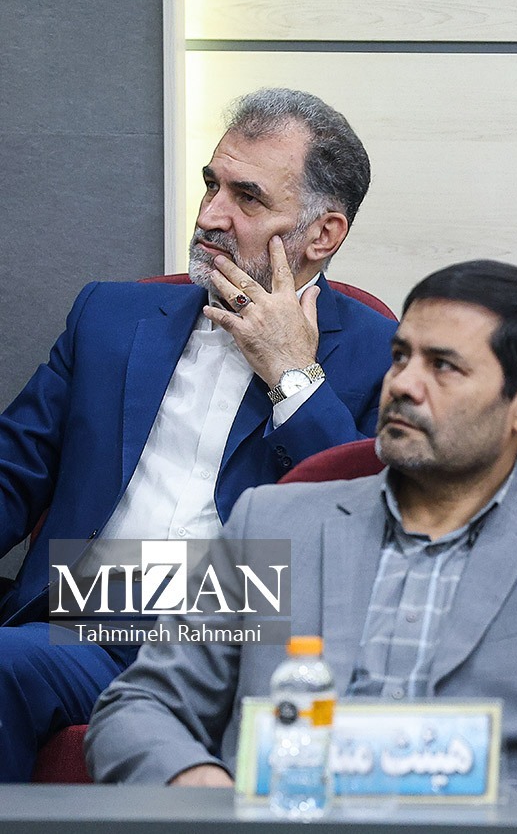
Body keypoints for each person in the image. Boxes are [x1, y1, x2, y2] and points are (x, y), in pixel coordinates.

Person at [86, 260, 517, 790]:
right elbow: (142, 705)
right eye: (400, 357)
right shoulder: (273, 524)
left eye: (443, 366)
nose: (402, 385)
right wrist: (203, 790)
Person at [0, 88, 396, 781]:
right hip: (81, 630)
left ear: (323, 234)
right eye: (212, 184)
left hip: (249, 650)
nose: (211, 214)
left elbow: (365, 525)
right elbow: (12, 471)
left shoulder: (380, 354)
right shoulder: (110, 316)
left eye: (248, 198)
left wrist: (293, 375)